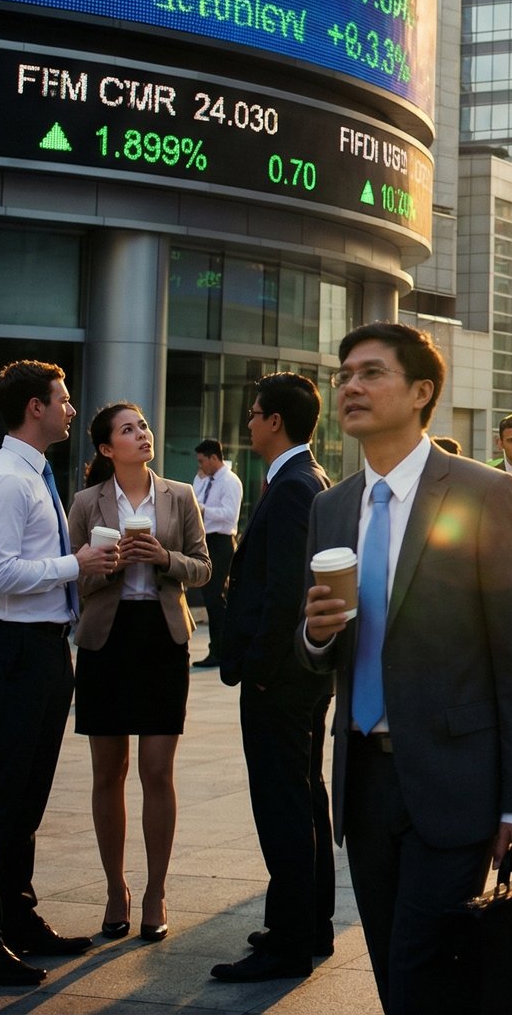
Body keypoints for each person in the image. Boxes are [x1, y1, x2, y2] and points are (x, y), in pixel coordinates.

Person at [300, 322, 512, 1010]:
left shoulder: (482, 493)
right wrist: (316, 636)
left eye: (370, 373)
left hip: (456, 781)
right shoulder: (331, 507)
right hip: (365, 780)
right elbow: (318, 644)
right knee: (395, 970)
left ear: (421, 392)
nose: (350, 385)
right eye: (344, 373)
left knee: (421, 970)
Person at [0, 361, 119, 988]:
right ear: (34, 408)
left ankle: (17, 920)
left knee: (25, 800)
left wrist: (71, 567)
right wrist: (73, 564)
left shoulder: (32, 475)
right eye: (64, 400)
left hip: (44, 649)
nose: (71, 409)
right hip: (13, 649)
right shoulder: (4, 482)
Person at [67, 403, 210, 944]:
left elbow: (204, 567)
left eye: (145, 425)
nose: (142, 434)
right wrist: (110, 565)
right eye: (129, 430)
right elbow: (72, 581)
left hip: (162, 637)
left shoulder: (180, 495)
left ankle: (156, 891)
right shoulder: (85, 502)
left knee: (156, 770)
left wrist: (163, 558)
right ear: (107, 449)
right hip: (107, 640)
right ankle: (114, 888)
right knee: (108, 771)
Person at [212, 374, 336, 982]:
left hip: (282, 679)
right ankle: (308, 925)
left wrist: (257, 670)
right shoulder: (302, 480)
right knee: (305, 796)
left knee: (284, 804)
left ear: (276, 421)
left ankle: (289, 942)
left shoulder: (292, 487)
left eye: (256, 413)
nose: (250, 422)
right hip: (301, 675)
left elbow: (287, 589)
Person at [191, 439, 243, 668]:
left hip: (221, 541)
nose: (200, 465)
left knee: (214, 598)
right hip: (205, 539)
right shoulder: (202, 480)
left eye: (203, 461)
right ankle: (220, 648)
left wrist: (203, 509)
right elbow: (193, 500)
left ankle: (220, 649)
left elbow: (229, 514)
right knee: (210, 597)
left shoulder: (230, 481)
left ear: (214, 458)